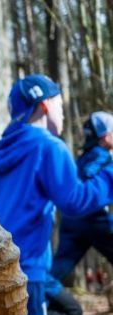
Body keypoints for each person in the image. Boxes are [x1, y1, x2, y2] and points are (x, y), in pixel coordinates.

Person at [0, 74, 113, 315]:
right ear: (45, 105)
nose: (62, 113)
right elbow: (74, 201)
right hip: (26, 273)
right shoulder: (49, 147)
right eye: (60, 105)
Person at [51, 112, 113, 283]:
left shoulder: (84, 156)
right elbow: (88, 175)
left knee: (58, 270)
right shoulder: (101, 155)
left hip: (71, 221)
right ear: (105, 136)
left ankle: (39, 298)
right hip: (94, 219)